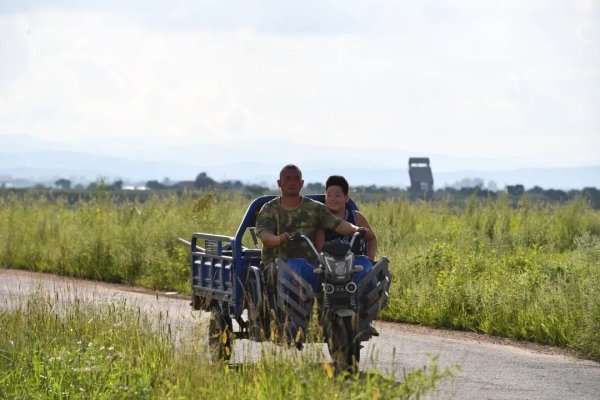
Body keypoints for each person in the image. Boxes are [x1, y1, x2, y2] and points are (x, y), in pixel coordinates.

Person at [255, 164, 367, 270]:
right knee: (275, 270)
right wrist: (278, 239)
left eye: (296, 179)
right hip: (277, 264)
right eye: (288, 178)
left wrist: (357, 229)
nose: (292, 182)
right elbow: (265, 235)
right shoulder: (268, 209)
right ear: (279, 183)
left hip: (310, 267)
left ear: (302, 183)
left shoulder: (315, 207)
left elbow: (338, 224)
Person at [314, 175, 377, 259]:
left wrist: (370, 259)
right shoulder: (321, 219)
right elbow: (320, 250)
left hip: (355, 264)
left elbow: (371, 238)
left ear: (346, 198)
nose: (332, 199)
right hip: (329, 264)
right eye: (329, 195)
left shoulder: (357, 217)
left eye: (337, 195)